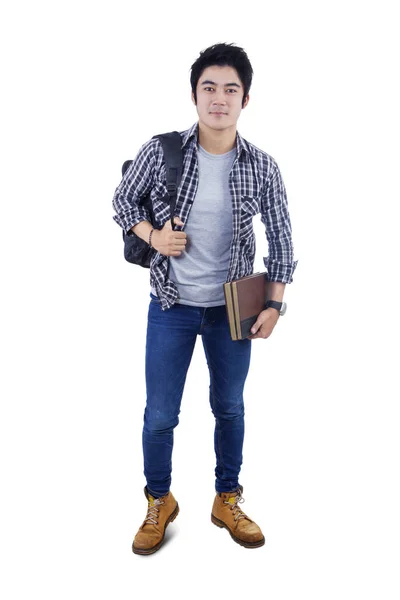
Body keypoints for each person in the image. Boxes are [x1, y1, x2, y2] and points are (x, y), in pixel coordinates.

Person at [112, 42, 297, 555]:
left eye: (230, 89)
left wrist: (275, 305)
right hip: (171, 306)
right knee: (159, 415)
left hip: (231, 312)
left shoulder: (262, 166)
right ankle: (159, 500)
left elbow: (282, 237)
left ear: (246, 99)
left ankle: (226, 498)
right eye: (209, 88)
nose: (219, 98)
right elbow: (122, 200)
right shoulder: (163, 151)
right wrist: (154, 238)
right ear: (194, 95)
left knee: (230, 408)